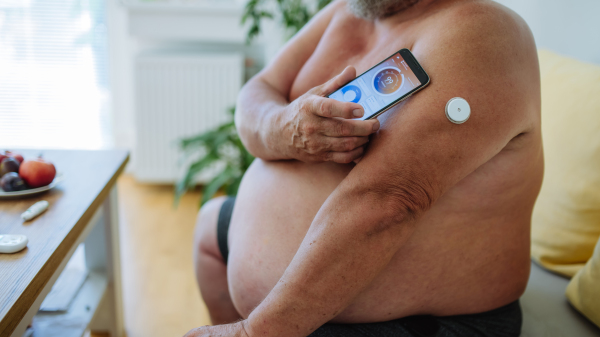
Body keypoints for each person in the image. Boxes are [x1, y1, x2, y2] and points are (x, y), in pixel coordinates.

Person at [185, 0, 543, 336]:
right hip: (308, 291)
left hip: (422, 321)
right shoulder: (350, 9)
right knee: (209, 227)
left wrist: (255, 332)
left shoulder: (480, 32)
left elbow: (388, 202)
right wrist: (282, 127)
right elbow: (257, 90)